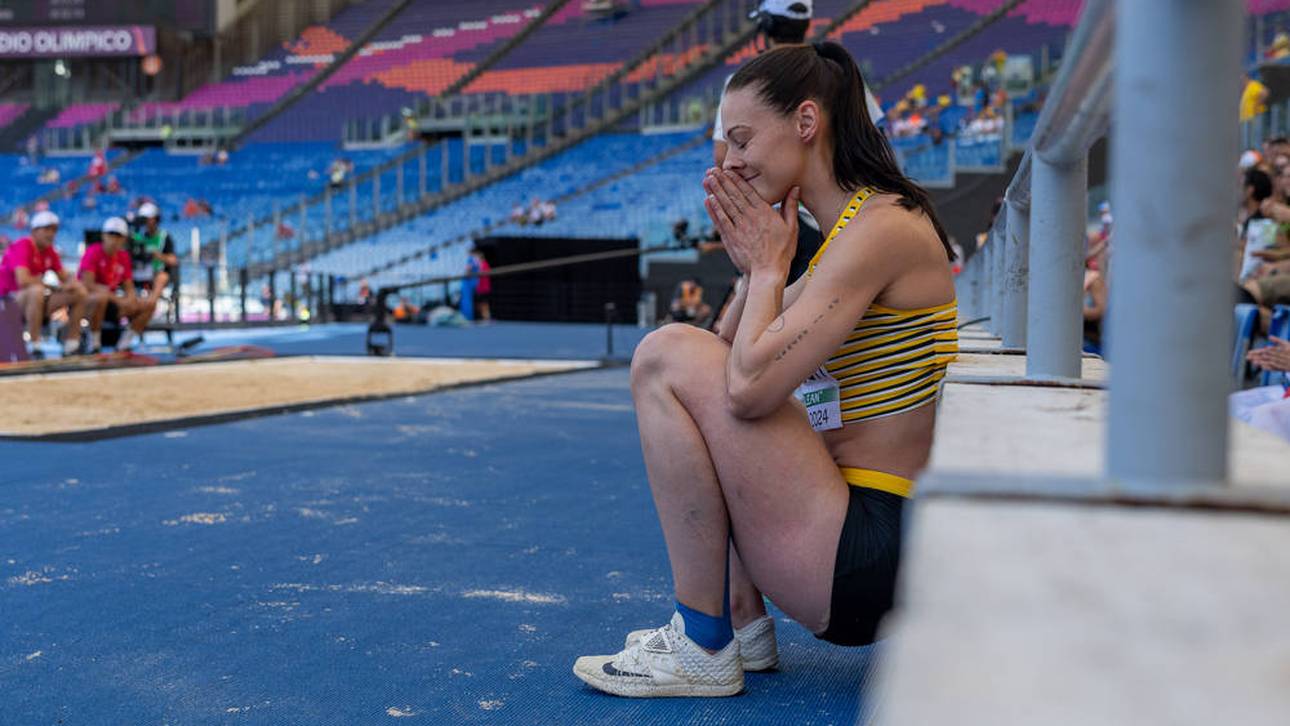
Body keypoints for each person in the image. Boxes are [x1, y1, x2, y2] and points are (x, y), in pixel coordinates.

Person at [573, 41, 958, 697]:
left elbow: (749, 390)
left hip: (865, 552)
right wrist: (759, 270)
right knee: (685, 362)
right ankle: (739, 626)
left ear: (806, 123)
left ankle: (700, 642)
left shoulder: (883, 227)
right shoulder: (848, 231)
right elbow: (728, 364)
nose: (732, 162)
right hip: (853, 542)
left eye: (743, 139)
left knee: (662, 355)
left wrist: (766, 269)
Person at [0, 211, 88, 358]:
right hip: (6, 302)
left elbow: (66, 278)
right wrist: (56, 287)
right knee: (36, 290)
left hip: (30, 301)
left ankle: (71, 344)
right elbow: (23, 280)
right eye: (47, 229)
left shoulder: (49, 251)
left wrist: (75, 284)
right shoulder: (22, 245)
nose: (51, 234)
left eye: (54, 230)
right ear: (34, 231)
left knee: (79, 292)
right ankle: (34, 346)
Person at [80, 217, 155, 352]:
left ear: (124, 239)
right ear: (104, 235)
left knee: (149, 304)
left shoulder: (123, 256)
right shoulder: (93, 251)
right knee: (100, 297)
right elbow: (88, 284)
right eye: (111, 234)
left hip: (112, 303)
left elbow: (128, 285)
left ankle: (124, 344)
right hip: (89, 303)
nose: (114, 239)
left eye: (118, 236)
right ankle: (94, 344)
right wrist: (117, 299)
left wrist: (130, 299)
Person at [129, 202, 178, 332]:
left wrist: (158, 255)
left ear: (155, 219)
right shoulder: (136, 237)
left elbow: (173, 260)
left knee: (162, 277)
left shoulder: (164, 236)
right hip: (138, 275)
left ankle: (151, 302)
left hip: (157, 276)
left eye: (147, 219)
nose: (145, 222)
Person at [468, 248, 493, 323]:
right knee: (480, 304)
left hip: (484, 288)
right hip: (480, 288)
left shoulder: (484, 264)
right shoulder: (479, 265)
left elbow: (484, 274)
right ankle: (484, 318)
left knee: (484, 304)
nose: (476, 259)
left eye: (477, 258)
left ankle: (486, 318)